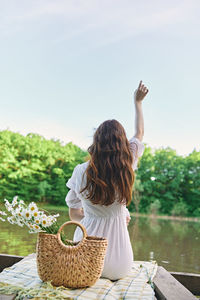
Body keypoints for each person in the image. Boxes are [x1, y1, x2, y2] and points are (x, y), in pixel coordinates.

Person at [65, 80, 149, 280]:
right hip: (120, 265)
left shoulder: (80, 171)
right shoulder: (126, 166)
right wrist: (137, 102)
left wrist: (91, 216)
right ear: (122, 143)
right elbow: (139, 133)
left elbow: (74, 215)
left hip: (85, 259)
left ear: (96, 141)